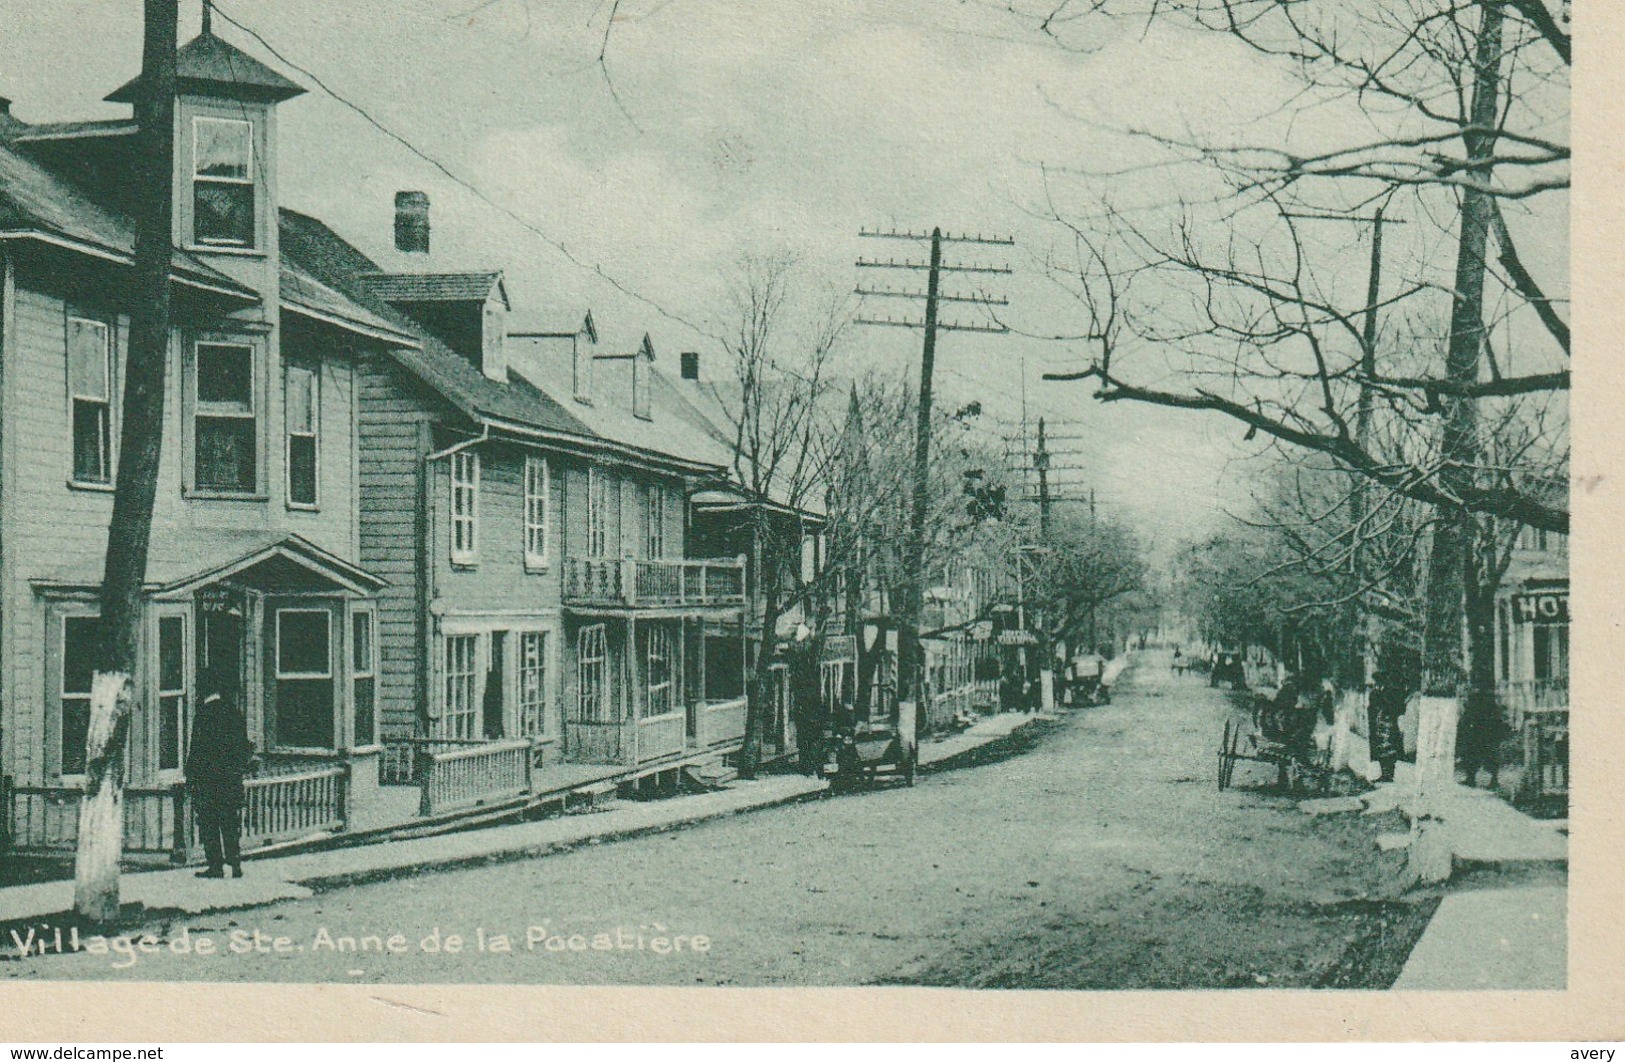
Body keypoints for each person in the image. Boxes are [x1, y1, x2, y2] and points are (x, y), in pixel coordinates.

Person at [186, 689, 254, 879]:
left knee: (209, 823)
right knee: (230, 822)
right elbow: (243, 747)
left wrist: (191, 775)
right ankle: (235, 863)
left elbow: (197, 749)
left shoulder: (204, 714)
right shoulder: (234, 712)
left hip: (209, 781)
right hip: (230, 780)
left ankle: (215, 866)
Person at [1367, 648, 1417, 783]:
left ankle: (1388, 774)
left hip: (1388, 722)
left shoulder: (1391, 689)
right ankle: (1385, 773)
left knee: (1389, 749)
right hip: (1380, 722)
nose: (1378, 683)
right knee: (1381, 748)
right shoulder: (1379, 691)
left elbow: (1395, 705)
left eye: (1380, 680)